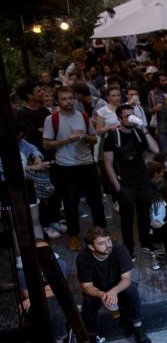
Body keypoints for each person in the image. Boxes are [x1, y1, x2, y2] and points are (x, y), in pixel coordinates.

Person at [43, 86, 106, 250]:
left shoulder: (82, 116)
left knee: (96, 201)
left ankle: (102, 234)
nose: (68, 102)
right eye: (64, 99)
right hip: (66, 166)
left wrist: (85, 137)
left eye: (70, 98)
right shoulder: (52, 119)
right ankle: (74, 236)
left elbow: (94, 138)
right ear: (57, 101)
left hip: (87, 164)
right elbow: (46, 144)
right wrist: (67, 140)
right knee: (70, 203)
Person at [77, 226, 152, 343]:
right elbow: (87, 286)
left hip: (118, 285)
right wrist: (102, 294)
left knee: (131, 289)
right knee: (88, 301)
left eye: (108, 240)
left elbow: (126, 278)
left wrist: (113, 291)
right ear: (91, 247)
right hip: (97, 289)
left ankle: (138, 329)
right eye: (102, 243)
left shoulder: (119, 249)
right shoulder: (83, 258)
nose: (108, 245)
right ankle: (92, 339)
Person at [103, 104, 160, 255]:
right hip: (125, 183)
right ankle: (129, 248)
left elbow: (156, 149)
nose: (130, 118)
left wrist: (144, 129)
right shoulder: (112, 137)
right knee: (126, 218)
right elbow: (108, 164)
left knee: (144, 214)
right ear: (119, 119)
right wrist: (118, 187)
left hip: (142, 180)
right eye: (127, 116)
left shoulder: (138, 133)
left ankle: (145, 242)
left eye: (132, 114)